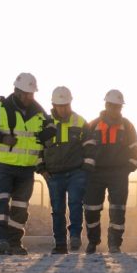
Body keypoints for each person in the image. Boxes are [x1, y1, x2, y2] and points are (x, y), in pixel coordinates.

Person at [0, 72, 54, 255]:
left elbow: (51, 126)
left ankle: (14, 243)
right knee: (1, 202)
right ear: (17, 91)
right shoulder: (0, 106)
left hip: (27, 168)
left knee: (20, 208)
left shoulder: (38, 110)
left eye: (32, 94)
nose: (30, 97)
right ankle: (0, 240)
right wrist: (2, 138)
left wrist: (46, 135)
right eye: (27, 94)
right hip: (3, 165)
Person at [38, 86, 96, 254]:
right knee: (57, 210)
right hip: (53, 174)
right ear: (53, 105)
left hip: (76, 172)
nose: (63, 109)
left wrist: (86, 168)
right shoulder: (45, 123)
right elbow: (37, 147)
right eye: (60, 105)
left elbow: (90, 147)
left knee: (76, 203)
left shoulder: (80, 121)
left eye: (66, 105)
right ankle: (60, 245)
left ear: (70, 103)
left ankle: (75, 236)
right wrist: (41, 169)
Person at [83, 89, 137, 254]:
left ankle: (114, 244)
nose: (116, 110)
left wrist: (126, 170)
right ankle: (93, 242)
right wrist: (87, 168)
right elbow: (84, 150)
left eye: (119, 107)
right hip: (95, 175)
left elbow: (135, 151)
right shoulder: (93, 125)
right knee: (91, 209)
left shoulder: (128, 126)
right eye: (113, 106)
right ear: (106, 105)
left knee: (117, 210)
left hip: (118, 175)